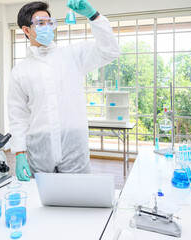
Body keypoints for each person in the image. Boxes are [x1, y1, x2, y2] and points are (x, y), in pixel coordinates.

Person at [8, 0, 120, 181]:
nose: (47, 27)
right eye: (40, 23)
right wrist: (19, 152)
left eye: (49, 22)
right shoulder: (20, 71)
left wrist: (94, 16)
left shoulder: (72, 55)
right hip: (40, 149)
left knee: (76, 202)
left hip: (74, 146)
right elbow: (18, 116)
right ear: (26, 30)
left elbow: (110, 52)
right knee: (42, 203)